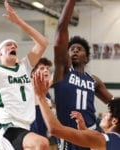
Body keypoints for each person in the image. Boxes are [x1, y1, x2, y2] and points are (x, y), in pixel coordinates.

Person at [0, 0, 50, 149]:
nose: (13, 46)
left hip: (24, 128)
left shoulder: (24, 66)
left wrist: (19, 22)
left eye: (15, 45)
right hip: (6, 128)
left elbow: (43, 43)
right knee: (42, 143)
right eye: (8, 45)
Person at [52, 0, 113, 149]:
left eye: (79, 49)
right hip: (69, 135)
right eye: (71, 49)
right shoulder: (63, 71)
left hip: (92, 133)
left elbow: (114, 103)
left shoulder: (94, 80)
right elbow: (61, 29)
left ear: (86, 58)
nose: (74, 51)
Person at [33, 71, 120, 150]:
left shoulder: (104, 139)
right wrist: (84, 129)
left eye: (108, 112)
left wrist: (41, 97)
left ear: (114, 121)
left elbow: (55, 129)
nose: (104, 115)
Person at [30, 57, 53, 137]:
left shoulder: (47, 93)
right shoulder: (28, 88)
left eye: (47, 68)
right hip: (30, 136)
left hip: (43, 136)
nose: (46, 70)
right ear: (33, 74)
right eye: (42, 68)